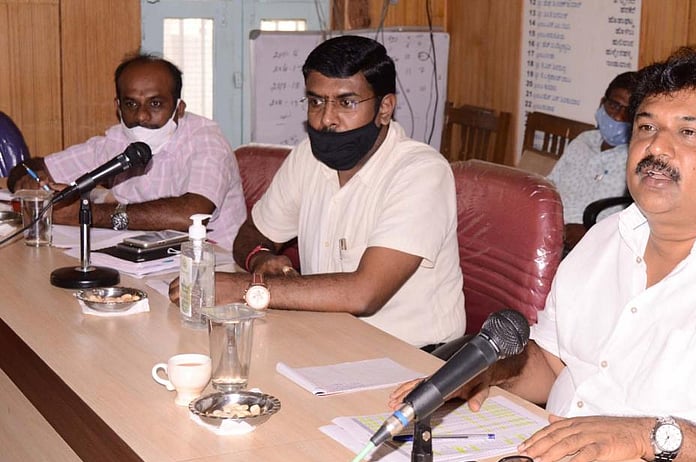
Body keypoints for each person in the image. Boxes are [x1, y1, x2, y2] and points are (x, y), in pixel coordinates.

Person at [391, 48, 696, 462]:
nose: (656, 146)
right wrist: (487, 373)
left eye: (688, 132)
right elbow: (555, 363)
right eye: (646, 127)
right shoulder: (607, 238)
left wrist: (644, 436)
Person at [171, 35, 465, 349]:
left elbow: (364, 293)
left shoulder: (421, 172)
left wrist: (247, 288)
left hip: (411, 355)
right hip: (325, 337)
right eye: (316, 102)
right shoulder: (309, 157)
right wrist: (260, 259)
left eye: (346, 103)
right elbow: (253, 233)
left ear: (384, 108)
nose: (326, 119)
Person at [6, 53, 246, 247]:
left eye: (155, 104)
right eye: (131, 104)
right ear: (118, 107)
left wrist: (87, 214)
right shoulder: (117, 140)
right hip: (143, 257)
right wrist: (29, 181)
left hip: (213, 264)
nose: (141, 116)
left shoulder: (206, 141)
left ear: (179, 108)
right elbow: (29, 167)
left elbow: (192, 214)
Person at [547, 71, 638, 250]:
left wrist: (589, 233)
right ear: (602, 103)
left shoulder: (636, 159)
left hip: (593, 245)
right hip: (550, 227)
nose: (618, 117)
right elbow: (551, 183)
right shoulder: (583, 140)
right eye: (614, 105)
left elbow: (632, 222)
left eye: (629, 112)